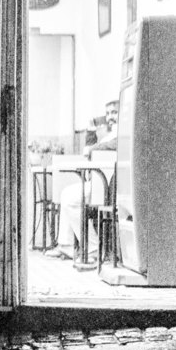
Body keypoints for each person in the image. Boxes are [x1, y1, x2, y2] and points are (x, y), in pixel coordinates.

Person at [46, 99, 118, 263]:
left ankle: (92, 248)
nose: (110, 117)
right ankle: (66, 245)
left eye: (114, 112)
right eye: (108, 113)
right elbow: (90, 149)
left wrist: (92, 149)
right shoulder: (110, 134)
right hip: (100, 182)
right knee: (66, 193)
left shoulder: (120, 133)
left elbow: (103, 148)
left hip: (108, 186)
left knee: (71, 199)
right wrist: (91, 132)